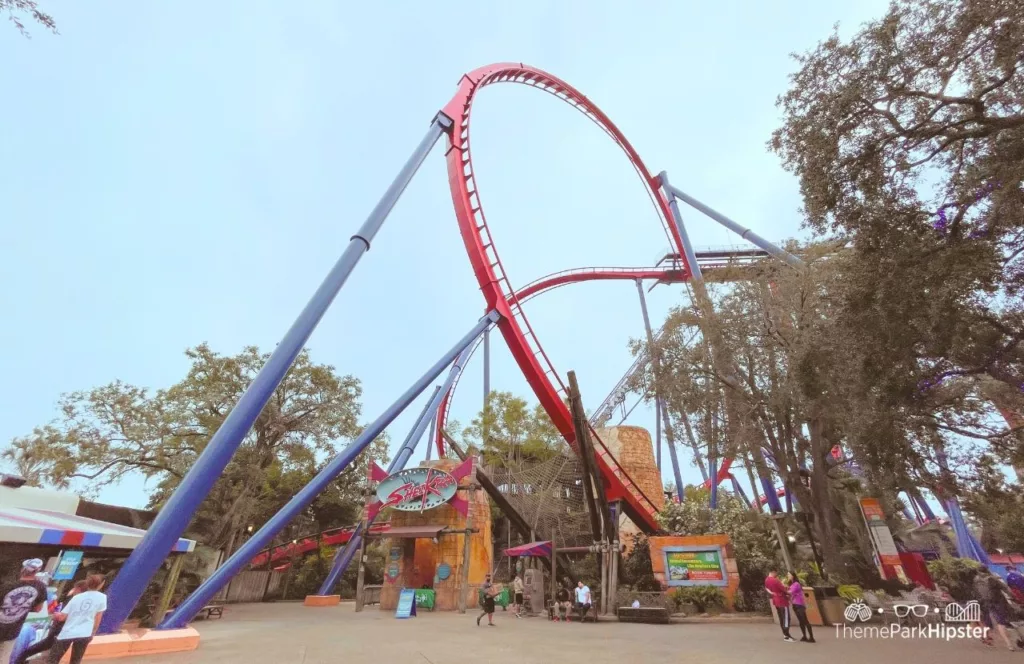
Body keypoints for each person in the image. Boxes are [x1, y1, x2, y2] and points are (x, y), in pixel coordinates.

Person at [15, 580, 88, 664]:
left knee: (47, 648)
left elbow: (62, 616)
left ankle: (22, 658)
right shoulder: (80, 601)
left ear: (79, 589)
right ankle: (23, 658)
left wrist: (54, 616)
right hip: (64, 630)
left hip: (60, 629)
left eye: (75, 588)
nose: (73, 590)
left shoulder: (74, 600)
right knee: (50, 648)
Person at [47, 575, 106, 664]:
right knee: (76, 660)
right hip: (85, 633)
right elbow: (98, 618)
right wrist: (92, 633)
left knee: (53, 660)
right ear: (100, 585)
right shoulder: (102, 598)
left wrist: (54, 614)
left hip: (68, 632)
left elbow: (62, 617)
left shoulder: (76, 597)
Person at [0, 559, 49, 664]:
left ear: (22, 569)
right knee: (4, 657)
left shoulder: (8, 586)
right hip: (13, 629)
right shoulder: (41, 587)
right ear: (37, 571)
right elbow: (38, 609)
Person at [974, 567, 1021, 652]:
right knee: (1011, 619)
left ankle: (1009, 644)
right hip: (1000, 602)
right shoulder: (992, 579)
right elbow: (1005, 588)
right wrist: (1014, 597)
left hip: (989, 604)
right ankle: (1019, 638)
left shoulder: (976, 580)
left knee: (1000, 623)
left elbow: (977, 593)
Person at [764, 569, 794, 642]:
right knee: (786, 618)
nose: (776, 575)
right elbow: (784, 590)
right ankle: (787, 636)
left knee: (781, 618)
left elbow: (767, 589)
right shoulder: (776, 580)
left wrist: (773, 593)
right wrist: (789, 592)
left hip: (775, 600)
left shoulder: (766, 580)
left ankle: (785, 634)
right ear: (773, 572)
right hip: (782, 600)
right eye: (776, 573)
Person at [786, 572, 814, 643]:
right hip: (795, 604)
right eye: (787, 574)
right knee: (801, 621)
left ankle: (811, 637)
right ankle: (804, 636)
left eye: (789, 574)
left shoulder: (796, 584)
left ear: (793, 576)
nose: (788, 575)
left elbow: (790, 592)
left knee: (805, 620)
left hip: (800, 604)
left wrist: (783, 590)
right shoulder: (791, 584)